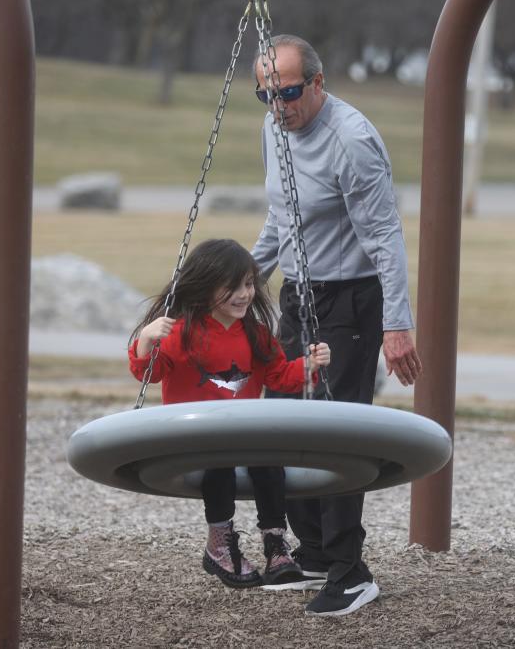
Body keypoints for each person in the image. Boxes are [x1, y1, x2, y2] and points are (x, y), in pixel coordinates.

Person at [250, 35, 423, 616]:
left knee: (336, 432)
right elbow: (280, 220)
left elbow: (383, 236)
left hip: (351, 301)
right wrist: (240, 285)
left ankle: (352, 571)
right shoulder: (274, 130)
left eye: (290, 92)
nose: (279, 106)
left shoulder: (352, 140)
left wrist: (397, 323)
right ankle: (316, 551)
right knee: (278, 417)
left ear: (318, 84)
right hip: (299, 295)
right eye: (267, 95)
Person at [128, 238, 331, 590]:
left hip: (241, 434)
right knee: (218, 461)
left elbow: (279, 375)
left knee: (270, 462)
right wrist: (146, 339)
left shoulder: (256, 335)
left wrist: (308, 365)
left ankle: (275, 545)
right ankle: (219, 544)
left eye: (249, 284)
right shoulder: (181, 333)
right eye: (232, 287)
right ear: (205, 287)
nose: (244, 294)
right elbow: (151, 372)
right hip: (191, 436)